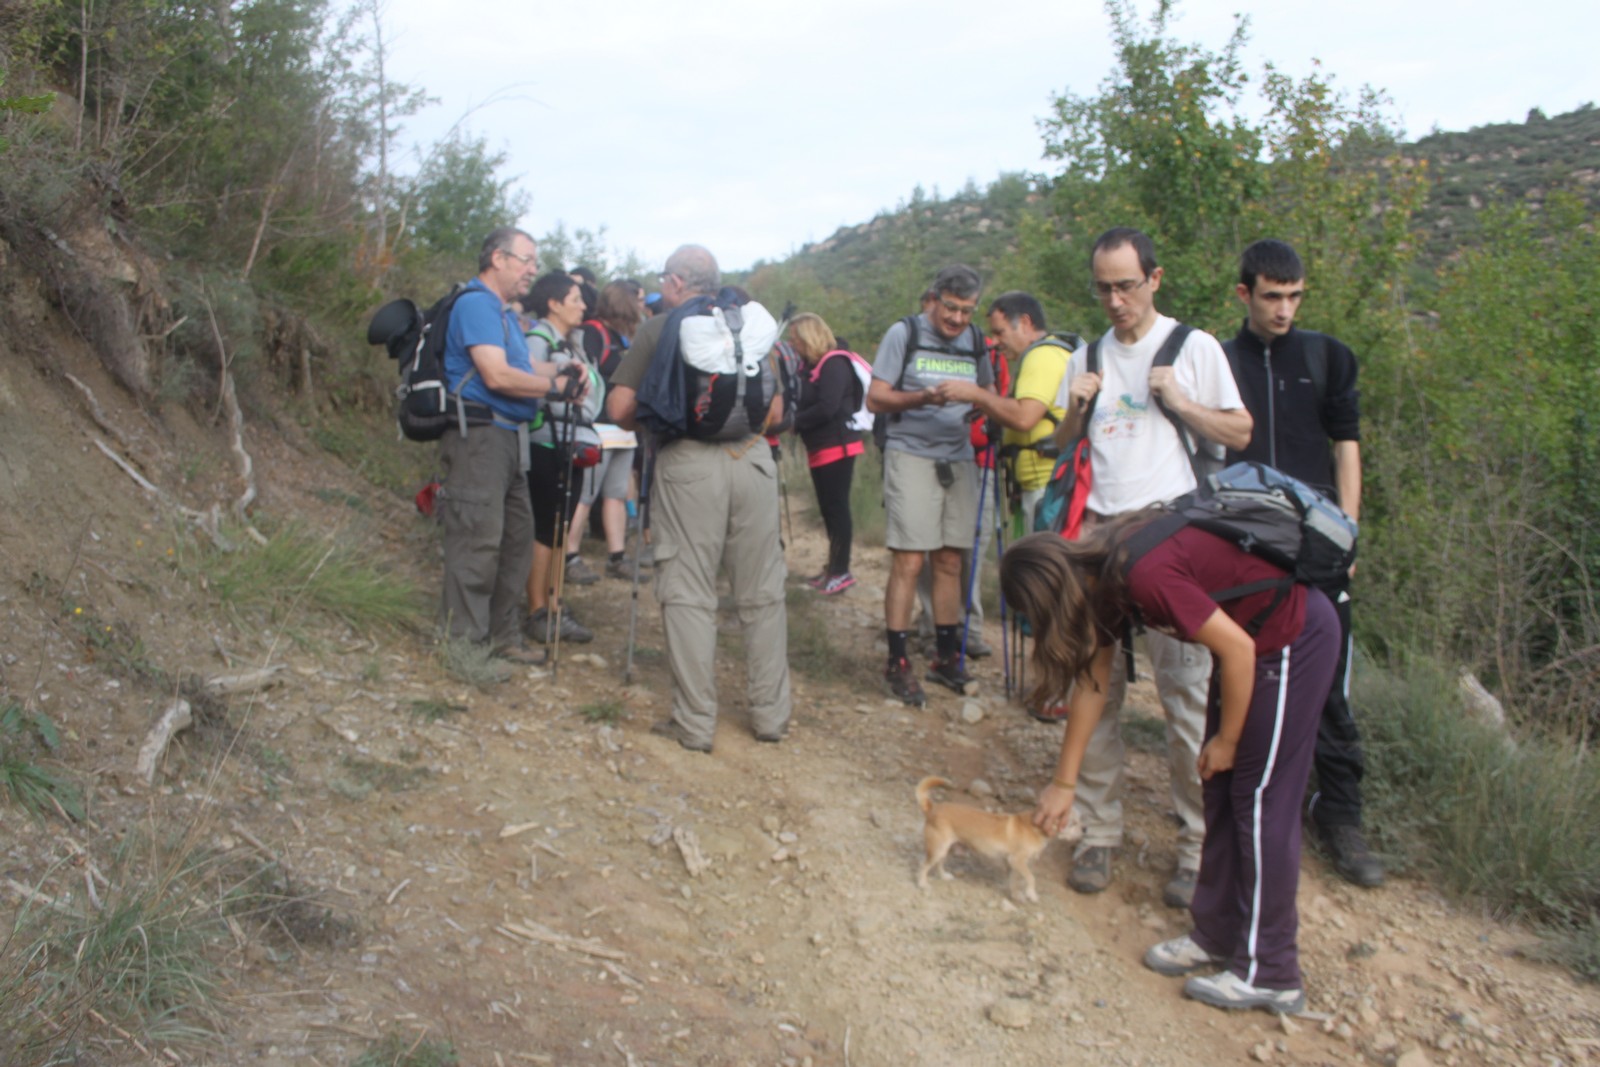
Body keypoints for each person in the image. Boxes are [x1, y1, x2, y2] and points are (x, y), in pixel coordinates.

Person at [1001, 525, 1338, 1015]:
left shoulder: (1145, 574)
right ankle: (1217, 935)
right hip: (1251, 648)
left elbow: (1238, 649)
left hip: (1291, 641)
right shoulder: (1103, 578)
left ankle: (1272, 972)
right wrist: (1064, 783)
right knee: (1218, 786)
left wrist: (1228, 739)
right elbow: (1094, 680)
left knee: (1259, 803)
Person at [1049, 227, 1252, 907]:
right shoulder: (1085, 356)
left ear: (1155, 279)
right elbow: (1062, 444)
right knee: (1095, 688)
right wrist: (1075, 409)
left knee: (1187, 696)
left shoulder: (1193, 348)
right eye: (1103, 287)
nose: (1115, 300)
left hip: (1172, 537)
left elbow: (1241, 430)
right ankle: (1098, 831)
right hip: (1098, 538)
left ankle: (1197, 846)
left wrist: (1182, 403)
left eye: (1127, 286)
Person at [1224, 239, 1381, 888]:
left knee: (1331, 686)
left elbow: (1347, 447)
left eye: (1294, 296)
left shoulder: (1328, 357)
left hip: (1318, 546)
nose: (1284, 309)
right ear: (1245, 294)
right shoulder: (1220, 360)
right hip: (1245, 545)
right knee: (1237, 677)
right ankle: (1238, 807)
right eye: (1272, 296)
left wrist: (1348, 534)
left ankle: (1339, 815)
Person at [606, 244, 791, 753]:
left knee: (688, 591)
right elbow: (775, 412)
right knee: (762, 592)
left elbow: (619, 408)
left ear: (674, 282)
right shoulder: (749, 324)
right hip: (753, 460)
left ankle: (694, 723)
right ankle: (771, 716)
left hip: (687, 464)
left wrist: (663, 411)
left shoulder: (659, 327)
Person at [437, 227, 581, 666]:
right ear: (498, 259)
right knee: (476, 544)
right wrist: (554, 388)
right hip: (480, 438)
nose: (533, 270)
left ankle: (502, 637)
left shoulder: (501, 312)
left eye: (534, 261)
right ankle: (464, 649)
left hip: (507, 439)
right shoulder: (477, 305)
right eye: (526, 260)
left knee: (516, 541)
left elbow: (524, 365)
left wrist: (563, 370)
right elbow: (496, 375)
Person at [870, 265, 995, 705]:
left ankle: (945, 657)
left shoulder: (975, 340)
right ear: (935, 299)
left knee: (949, 560)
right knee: (908, 559)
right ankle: (898, 661)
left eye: (967, 310)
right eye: (951, 308)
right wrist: (925, 397)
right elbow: (875, 398)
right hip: (910, 454)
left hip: (958, 457)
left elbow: (988, 393)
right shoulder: (904, 333)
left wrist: (978, 403)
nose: (958, 319)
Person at [938, 290, 1074, 533]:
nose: (995, 341)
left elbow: (1024, 417)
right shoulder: (1049, 354)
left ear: (1025, 322)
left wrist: (976, 394)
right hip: (1042, 486)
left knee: (1044, 557)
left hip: (1048, 486)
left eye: (1000, 332)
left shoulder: (1042, 357)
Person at [520, 270, 600, 646]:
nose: (583, 306)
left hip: (569, 444)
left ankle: (555, 605)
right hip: (547, 444)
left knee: (559, 528)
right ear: (553, 304)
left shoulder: (570, 343)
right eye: (575, 300)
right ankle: (539, 610)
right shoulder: (538, 340)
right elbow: (529, 390)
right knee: (545, 528)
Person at [564, 279, 646, 584]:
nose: (639, 308)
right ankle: (569, 557)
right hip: (597, 428)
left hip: (622, 429)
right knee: (585, 495)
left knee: (615, 494)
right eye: (635, 302)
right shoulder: (591, 333)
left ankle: (617, 556)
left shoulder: (622, 337)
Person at [788, 311, 866, 594]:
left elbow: (828, 406)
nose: (793, 345)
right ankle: (833, 567)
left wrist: (795, 422)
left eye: (795, 339)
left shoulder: (834, 364)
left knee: (837, 508)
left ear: (809, 337)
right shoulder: (811, 366)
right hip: (820, 447)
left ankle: (841, 571)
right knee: (828, 509)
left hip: (837, 445)